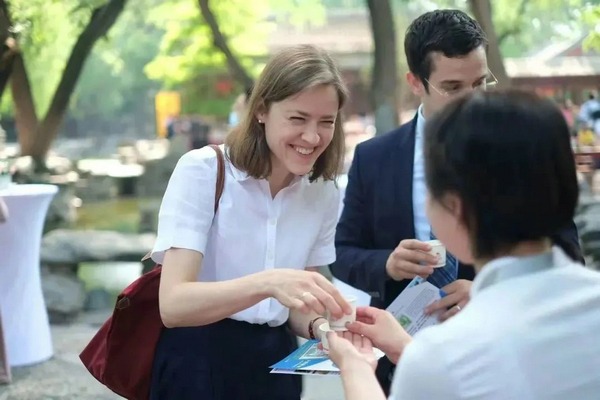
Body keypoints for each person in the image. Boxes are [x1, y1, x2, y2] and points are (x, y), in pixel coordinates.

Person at [330, 9, 583, 393]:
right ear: (416, 83)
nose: (471, 100)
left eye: (480, 83)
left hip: (504, 350)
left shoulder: (517, 151)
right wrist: (387, 263)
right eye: (453, 87)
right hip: (397, 358)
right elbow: (342, 253)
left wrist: (484, 290)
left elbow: (566, 247)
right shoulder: (374, 158)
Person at [148, 44, 359, 400]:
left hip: (276, 361)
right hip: (197, 360)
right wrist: (268, 283)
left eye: (327, 122)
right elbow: (173, 304)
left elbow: (295, 306)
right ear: (261, 110)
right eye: (298, 119)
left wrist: (325, 328)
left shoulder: (322, 192)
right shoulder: (203, 171)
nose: (312, 137)